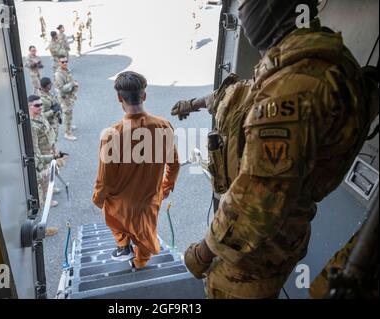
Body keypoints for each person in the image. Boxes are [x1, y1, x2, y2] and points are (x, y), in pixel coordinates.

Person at [172, 0, 378, 299]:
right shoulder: (309, 62)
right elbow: (229, 95)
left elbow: (256, 201)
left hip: (254, 254)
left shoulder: (293, 87)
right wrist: (190, 105)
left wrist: (200, 255)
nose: (242, 9)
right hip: (265, 236)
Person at [92, 71, 180, 269]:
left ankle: (123, 244)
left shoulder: (112, 134)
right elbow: (174, 164)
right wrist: (166, 186)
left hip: (121, 204)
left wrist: (98, 199)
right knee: (146, 232)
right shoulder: (163, 126)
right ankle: (140, 263)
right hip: (150, 199)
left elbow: (104, 180)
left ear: (119, 98)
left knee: (111, 213)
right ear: (144, 96)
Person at [28, 95, 68, 236]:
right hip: (42, 157)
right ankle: (41, 229)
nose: (40, 107)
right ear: (29, 106)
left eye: (40, 104)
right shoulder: (31, 124)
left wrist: (54, 149)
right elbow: (35, 149)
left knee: (51, 175)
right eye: (36, 105)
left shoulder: (40, 116)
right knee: (40, 200)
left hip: (48, 151)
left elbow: (48, 132)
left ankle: (41, 227)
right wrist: (46, 160)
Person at [54, 55, 79, 141]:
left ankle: (69, 125)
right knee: (67, 113)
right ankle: (67, 133)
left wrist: (73, 93)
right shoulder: (58, 74)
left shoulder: (67, 70)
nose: (65, 63)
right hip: (64, 97)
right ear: (59, 62)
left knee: (69, 112)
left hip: (69, 95)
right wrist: (72, 84)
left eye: (66, 61)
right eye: (62, 62)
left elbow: (69, 81)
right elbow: (62, 89)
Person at [38, 77, 62, 141]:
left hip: (54, 121)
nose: (51, 86)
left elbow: (55, 102)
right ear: (45, 87)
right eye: (49, 85)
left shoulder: (49, 93)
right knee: (50, 142)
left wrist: (59, 115)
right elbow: (41, 115)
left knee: (55, 140)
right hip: (48, 124)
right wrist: (52, 111)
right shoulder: (40, 99)